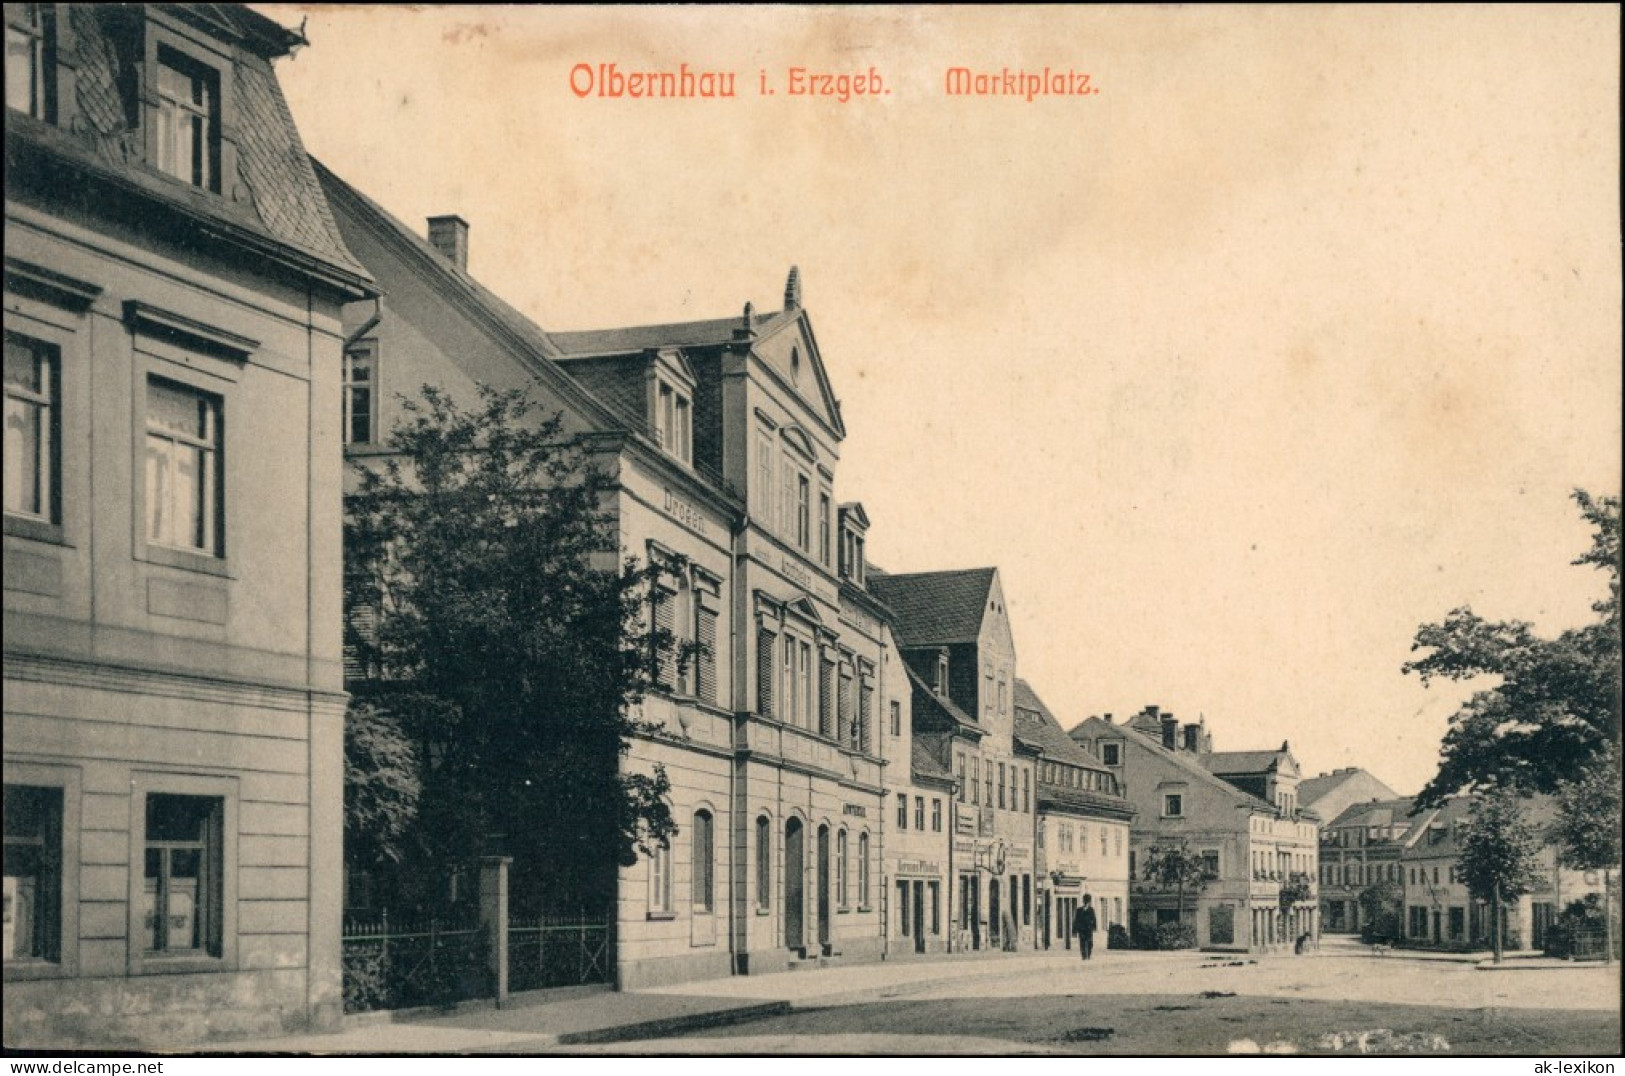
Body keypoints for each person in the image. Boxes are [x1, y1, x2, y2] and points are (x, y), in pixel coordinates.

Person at [1072, 894, 1098, 960]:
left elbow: (1094, 919)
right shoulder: (1079, 910)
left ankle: (1088, 955)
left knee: (1090, 943)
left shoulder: (1091, 910)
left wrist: (1094, 927)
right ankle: (1083, 956)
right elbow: (1076, 920)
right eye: (1085, 901)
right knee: (1082, 943)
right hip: (1082, 929)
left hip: (1089, 929)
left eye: (1088, 901)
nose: (1086, 902)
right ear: (1083, 901)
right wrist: (1075, 930)